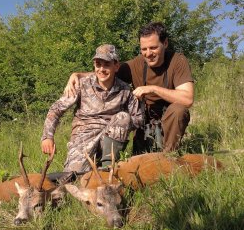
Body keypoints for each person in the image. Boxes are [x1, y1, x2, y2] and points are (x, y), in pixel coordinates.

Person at [65, 22, 194, 154]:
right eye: (144, 49)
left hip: (169, 121)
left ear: (165, 43)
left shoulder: (178, 61)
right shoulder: (136, 64)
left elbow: (187, 99)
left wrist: (153, 89)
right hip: (144, 124)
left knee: (178, 110)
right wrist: (77, 75)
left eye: (153, 48)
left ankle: (169, 157)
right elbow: (106, 72)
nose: (148, 54)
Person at [41, 44, 142, 173]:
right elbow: (56, 109)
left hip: (110, 138)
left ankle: (107, 167)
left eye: (106, 64)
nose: (101, 69)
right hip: (84, 137)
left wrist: (122, 125)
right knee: (74, 176)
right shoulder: (81, 84)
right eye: (98, 64)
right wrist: (47, 137)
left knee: (123, 117)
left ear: (116, 66)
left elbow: (138, 118)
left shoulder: (125, 90)